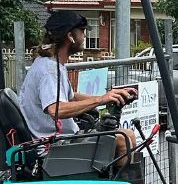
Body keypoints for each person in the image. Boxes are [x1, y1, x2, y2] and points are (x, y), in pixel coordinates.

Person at [20, 10, 137, 165]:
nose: (84, 37)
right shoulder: (49, 71)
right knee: (122, 141)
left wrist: (109, 96)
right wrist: (99, 99)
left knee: (128, 135)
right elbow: (56, 109)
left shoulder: (53, 64)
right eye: (82, 32)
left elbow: (71, 97)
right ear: (70, 36)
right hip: (51, 147)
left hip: (62, 139)